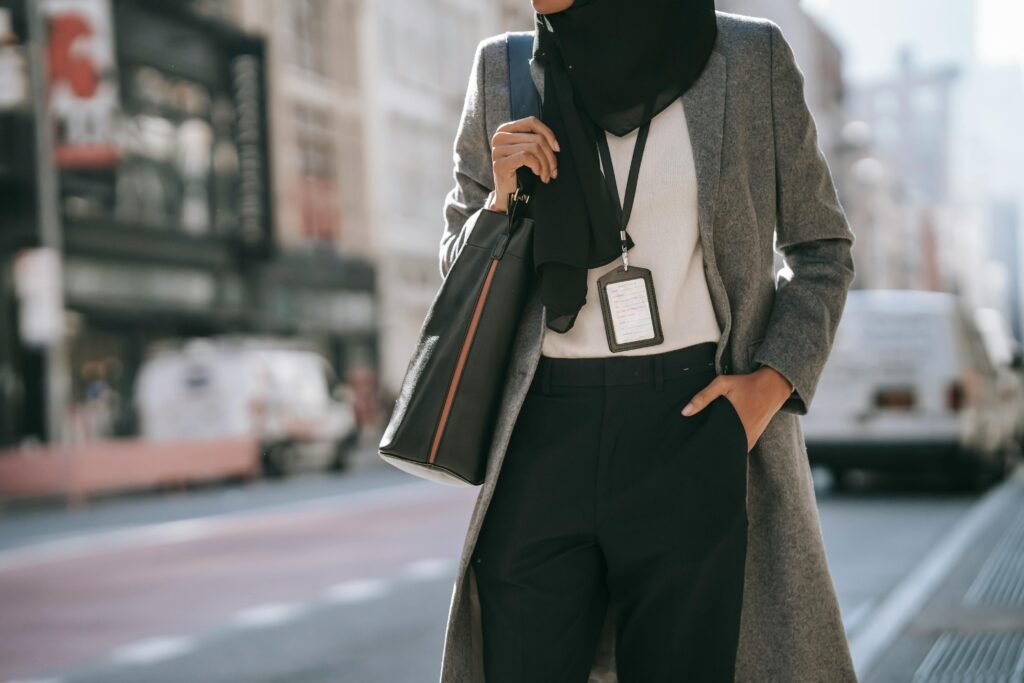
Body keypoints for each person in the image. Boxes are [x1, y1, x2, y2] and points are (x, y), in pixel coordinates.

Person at [438, 1, 859, 681]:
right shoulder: (504, 70)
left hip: (694, 418)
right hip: (543, 430)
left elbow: (822, 249)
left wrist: (767, 388)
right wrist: (501, 202)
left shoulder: (747, 57)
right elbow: (459, 277)